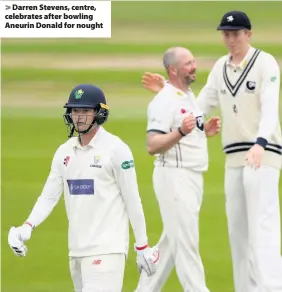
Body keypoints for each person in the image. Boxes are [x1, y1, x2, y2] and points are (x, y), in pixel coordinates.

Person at [140, 10, 282, 292]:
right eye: (226, 34)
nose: (231, 40)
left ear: (248, 34)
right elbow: (198, 109)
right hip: (234, 159)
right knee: (238, 233)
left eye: (236, 34)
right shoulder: (220, 67)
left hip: (263, 155)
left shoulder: (265, 63)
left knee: (262, 228)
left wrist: (260, 143)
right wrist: (167, 91)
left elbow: (270, 108)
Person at [8, 84, 160, 292]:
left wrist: (142, 246)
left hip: (107, 250)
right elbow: (48, 196)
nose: (79, 117)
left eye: (85, 111)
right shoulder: (64, 152)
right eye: (75, 111)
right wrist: (27, 226)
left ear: (99, 113)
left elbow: (132, 199)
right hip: (76, 251)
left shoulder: (116, 149)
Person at [135, 47, 221, 292]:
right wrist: (181, 131)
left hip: (192, 177)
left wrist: (204, 132)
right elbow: (153, 145)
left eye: (193, 61)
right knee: (186, 246)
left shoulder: (187, 95)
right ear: (173, 70)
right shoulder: (163, 101)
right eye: (187, 64)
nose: (194, 66)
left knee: (171, 245)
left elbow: (186, 127)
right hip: (174, 176)